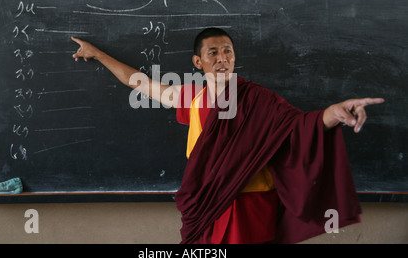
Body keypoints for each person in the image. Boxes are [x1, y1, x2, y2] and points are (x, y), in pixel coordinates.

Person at [71, 28, 384, 244]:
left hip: (252, 207)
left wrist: (336, 111)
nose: (222, 58)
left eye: (227, 51)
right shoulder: (190, 98)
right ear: (199, 62)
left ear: (234, 57)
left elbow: (301, 126)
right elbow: (137, 83)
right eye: (213, 53)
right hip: (206, 206)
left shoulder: (258, 100)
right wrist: (98, 54)